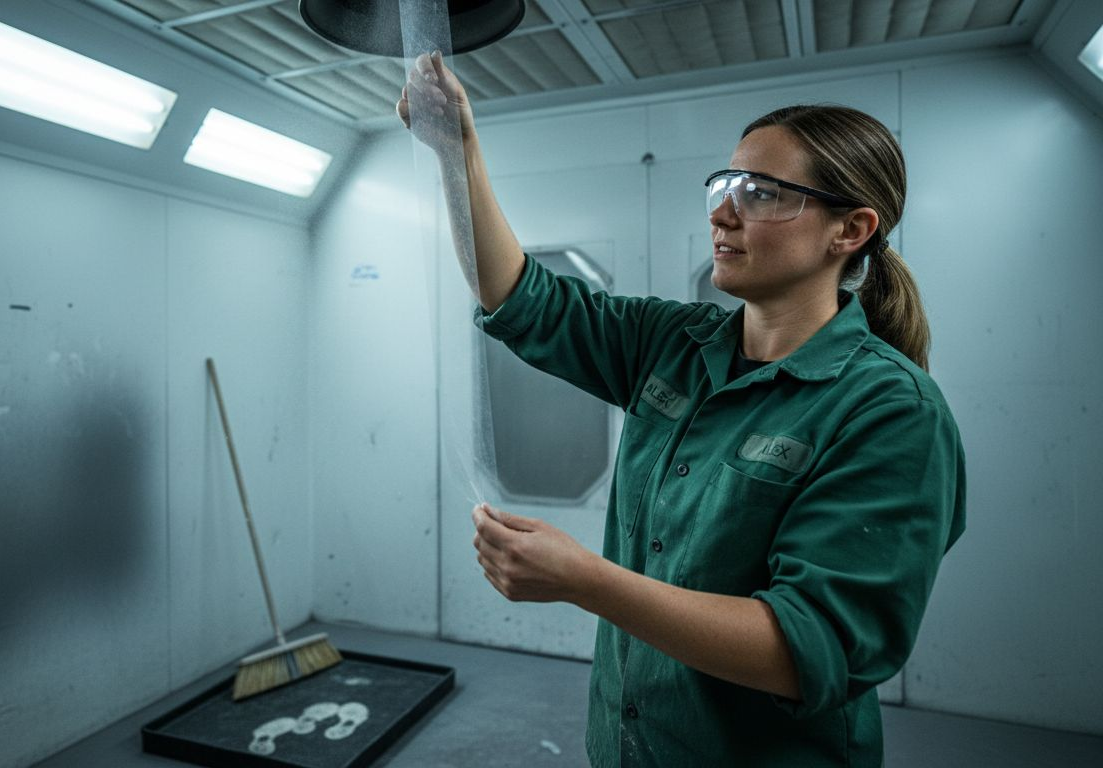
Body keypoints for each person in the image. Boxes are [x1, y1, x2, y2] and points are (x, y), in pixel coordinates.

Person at [397, 51, 967, 767]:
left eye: (763, 194)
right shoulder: (675, 343)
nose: (723, 212)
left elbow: (807, 649)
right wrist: (457, 151)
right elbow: (517, 297)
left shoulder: (891, 412)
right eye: (725, 185)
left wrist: (585, 580)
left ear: (849, 230)